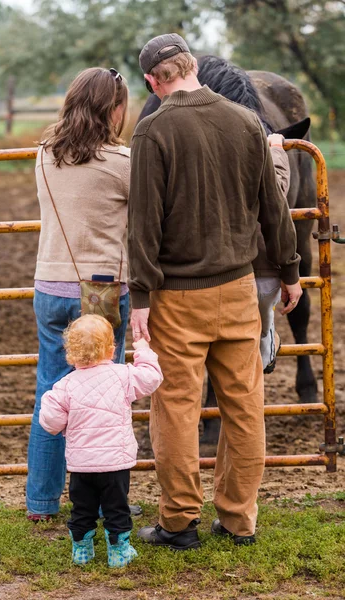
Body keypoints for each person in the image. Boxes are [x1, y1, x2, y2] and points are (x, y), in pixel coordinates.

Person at [128, 34, 302, 548]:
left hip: (178, 297)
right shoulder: (247, 121)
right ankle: (238, 519)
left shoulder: (153, 130)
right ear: (191, 67)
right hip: (238, 287)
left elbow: (143, 226)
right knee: (245, 407)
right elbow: (274, 207)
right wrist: (290, 271)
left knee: (176, 410)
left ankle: (179, 521)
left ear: (151, 81)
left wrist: (140, 298)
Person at [26, 67, 141, 520]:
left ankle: (40, 501)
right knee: (103, 401)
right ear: (113, 109)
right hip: (102, 294)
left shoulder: (43, 155)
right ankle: (103, 503)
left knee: (51, 395)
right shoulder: (123, 162)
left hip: (50, 286)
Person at [39, 314, 163, 567]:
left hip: (81, 466)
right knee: (117, 509)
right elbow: (152, 378)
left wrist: (55, 409)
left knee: (82, 509)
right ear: (111, 349)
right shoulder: (122, 376)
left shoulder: (64, 386)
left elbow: (50, 423)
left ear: (70, 353)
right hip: (115, 465)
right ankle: (119, 553)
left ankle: (81, 552)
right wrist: (143, 351)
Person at [257, 133, 291, 373]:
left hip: (223, 270)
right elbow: (276, 192)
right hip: (263, 271)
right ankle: (266, 344)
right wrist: (277, 149)